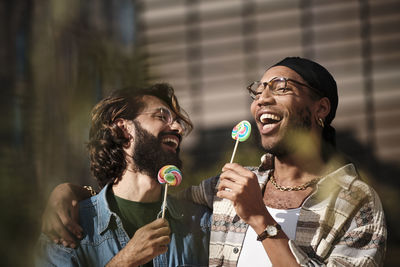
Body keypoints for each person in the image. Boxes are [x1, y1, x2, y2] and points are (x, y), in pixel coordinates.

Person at [42, 57, 387, 266]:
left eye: (280, 87)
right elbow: (144, 194)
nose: (262, 98)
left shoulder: (357, 203)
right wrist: (71, 191)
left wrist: (259, 217)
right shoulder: (223, 195)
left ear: (321, 109)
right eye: (258, 89)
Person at [35, 83, 211, 266]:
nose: (178, 128)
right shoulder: (68, 229)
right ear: (123, 129)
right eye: (161, 116)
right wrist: (125, 261)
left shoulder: (201, 223)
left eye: (177, 121)